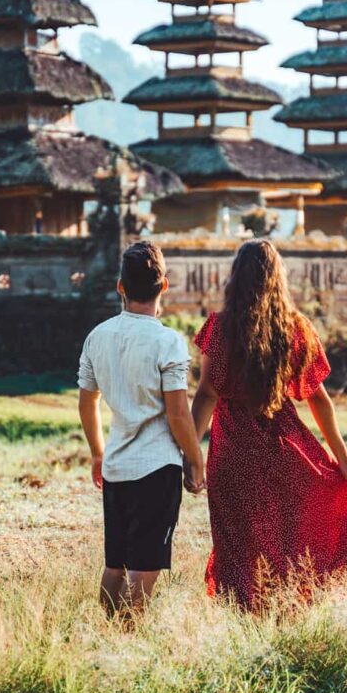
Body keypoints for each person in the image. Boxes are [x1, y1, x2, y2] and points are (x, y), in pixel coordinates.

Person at [189, 238, 347, 609]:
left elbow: (208, 393)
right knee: (287, 537)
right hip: (281, 447)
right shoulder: (297, 328)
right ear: (278, 278)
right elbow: (318, 398)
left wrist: (190, 455)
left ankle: (246, 617)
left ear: (235, 278)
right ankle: (284, 609)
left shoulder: (219, 328)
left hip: (232, 450)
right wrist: (343, 459)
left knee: (238, 541)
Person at [78, 240, 205, 617]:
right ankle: (128, 641)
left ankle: (107, 633)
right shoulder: (168, 341)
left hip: (116, 467)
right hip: (156, 468)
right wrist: (196, 461)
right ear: (164, 286)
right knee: (144, 567)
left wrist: (99, 453)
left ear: (121, 287)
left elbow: (88, 402)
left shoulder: (97, 336)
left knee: (114, 564)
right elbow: (179, 415)